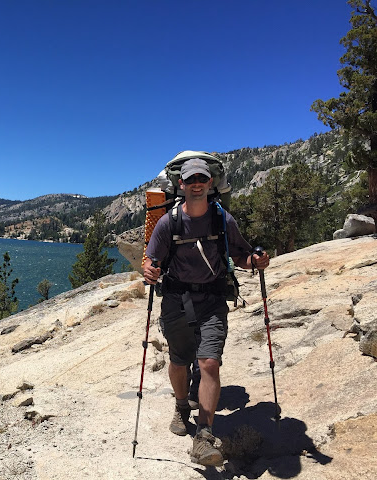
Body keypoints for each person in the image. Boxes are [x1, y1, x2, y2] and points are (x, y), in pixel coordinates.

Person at [143, 157, 269, 467]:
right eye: (191, 178)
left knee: (209, 363)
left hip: (212, 300)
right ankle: (182, 405)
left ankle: (204, 435)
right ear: (182, 184)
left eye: (202, 177)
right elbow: (151, 260)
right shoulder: (168, 222)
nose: (197, 182)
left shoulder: (222, 219)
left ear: (209, 182)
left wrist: (256, 262)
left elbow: (241, 255)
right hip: (175, 299)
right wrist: (149, 271)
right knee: (178, 360)